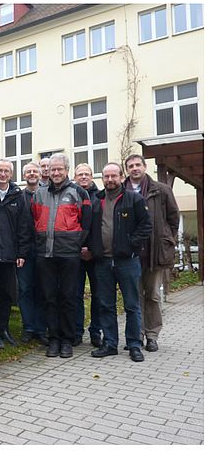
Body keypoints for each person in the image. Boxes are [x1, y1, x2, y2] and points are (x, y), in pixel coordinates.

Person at [90, 162, 152, 362]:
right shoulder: (96, 200)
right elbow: (90, 228)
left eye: (113, 176)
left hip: (127, 261)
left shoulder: (133, 198)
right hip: (103, 262)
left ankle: (134, 345)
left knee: (132, 305)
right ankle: (110, 344)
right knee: (105, 305)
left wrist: (130, 244)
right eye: (106, 176)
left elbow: (146, 225)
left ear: (121, 177)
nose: (110, 180)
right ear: (102, 178)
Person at [32, 153, 91, 359]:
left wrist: (76, 244)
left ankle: (67, 339)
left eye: (60, 169)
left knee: (68, 297)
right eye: (53, 169)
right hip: (45, 254)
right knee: (49, 297)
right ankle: (54, 339)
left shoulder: (79, 192)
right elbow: (34, 220)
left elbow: (86, 223)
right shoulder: (39, 194)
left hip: (69, 254)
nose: (56, 172)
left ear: (67, 170)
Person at [124, 154, 179, 352]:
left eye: (138, 164)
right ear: (127, 170)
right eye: (131, 166)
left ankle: (152, 335)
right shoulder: (122, 190)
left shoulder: (161, 190)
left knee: (153, 296)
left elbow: (173, 219)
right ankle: (136, 336)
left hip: (155, 254)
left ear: (145, 166)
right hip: (131, 255)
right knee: (135, 297)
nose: (135, 168)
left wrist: (167, 240)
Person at [0, 159, 31, 348]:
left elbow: (24, 226)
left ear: (11, 174)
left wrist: (21, 253)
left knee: (6, 293)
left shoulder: (18, 195)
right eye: (0, 170)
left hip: (10, 255)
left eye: (6, 171)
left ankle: (4, 328)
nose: (2, 174)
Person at [17, 161, 48, 345]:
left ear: (40, 174)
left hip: (44, 250)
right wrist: (20, 252)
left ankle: (41, 328)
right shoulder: (19, 197)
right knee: (25, 290)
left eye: (34, 171)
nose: (31, 174)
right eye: (28, 171)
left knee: (42, 289)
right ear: (24, 176)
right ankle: (28, 327)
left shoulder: (47, 194)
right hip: (25, 251)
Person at [73, 163, 103, 347]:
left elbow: (101, 227)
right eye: (80, 174)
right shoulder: (70, 196)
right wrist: (78, 248)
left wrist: (90, 248)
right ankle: (77, 331)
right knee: (75, 294)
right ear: (74, 177)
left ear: (92, 176)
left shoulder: (100, 197)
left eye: (86, 174)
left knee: (97, 295)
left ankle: (95, 331)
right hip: (74, 254)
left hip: (95, 254)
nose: (83, 177)